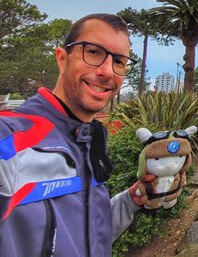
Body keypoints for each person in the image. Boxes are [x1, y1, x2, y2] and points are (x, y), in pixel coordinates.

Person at [0, 13, 151, 257]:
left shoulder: (88, 141)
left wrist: (132, 201)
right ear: (62, 58)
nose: (107, 71)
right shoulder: (11, 141)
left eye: (119, 62)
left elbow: (83, 235)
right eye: (93, 52)